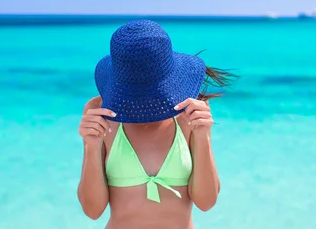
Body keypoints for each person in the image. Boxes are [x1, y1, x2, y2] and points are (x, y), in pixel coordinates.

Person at [77, 20, 236, 229]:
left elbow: (206, 202)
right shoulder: (101, 111)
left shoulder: (189, 112)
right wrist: (91, 146)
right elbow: (92, 210)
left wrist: (203, 135)